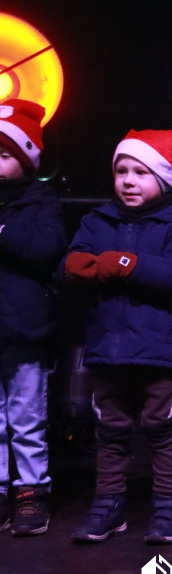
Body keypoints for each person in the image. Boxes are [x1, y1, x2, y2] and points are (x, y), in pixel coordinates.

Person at [64, 129, 172, 544]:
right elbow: (71, 265)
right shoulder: (96, 220)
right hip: (108, 348)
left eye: (141, 172)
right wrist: (74, 267)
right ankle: (107, 506)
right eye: (122, 170)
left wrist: (125, 263)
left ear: (162, 179)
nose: (128, 180)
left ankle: (168, 508)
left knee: (164, 429)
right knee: (110, 430)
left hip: (161, 347)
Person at [0, 99, 66, 536]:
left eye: (5, 153)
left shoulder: (42, 203)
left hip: (24, 328)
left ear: (26, 159)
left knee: (26, 417)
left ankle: (30, 492)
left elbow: (43, 251)